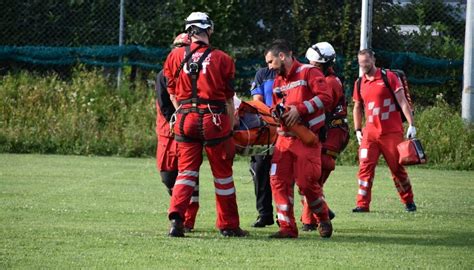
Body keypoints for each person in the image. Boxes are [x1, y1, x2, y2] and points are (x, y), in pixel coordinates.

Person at [163, 11, 248, 237]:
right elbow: (229, 98)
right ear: (208, 30)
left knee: (186, 173)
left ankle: (177, 218)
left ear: (189, 30)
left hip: (185, 119)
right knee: (223, 176)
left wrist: (182, 110)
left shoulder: (173, 56)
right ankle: (228, 225)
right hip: (214, 119)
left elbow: (172, 93)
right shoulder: (223, 58)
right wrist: (229, 126)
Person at [265, 39, 334, 238]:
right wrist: (275, 113)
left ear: (282, 56)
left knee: (306, 184)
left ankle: (322, 217)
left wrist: (301, 109)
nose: (269, 67)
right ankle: (287, 228)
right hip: (284, 140)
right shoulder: (278, 81)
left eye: (270, 61)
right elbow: (276, 105)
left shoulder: (309, 72)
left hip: (306, 139)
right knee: (277, 181)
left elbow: (326, 97)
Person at [352, 48, 417, 212]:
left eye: (366, 62)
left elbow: (403, 102)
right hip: (370, 135)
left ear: (373, 60)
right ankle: (362, 204)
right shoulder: (359, 82)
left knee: (397, 169)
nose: (363, 65)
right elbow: (357, 107)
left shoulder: (389, 77)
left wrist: (411, 124)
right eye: (360, 63)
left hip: (392, 134)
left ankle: (408, 201)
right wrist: (358, 130)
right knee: (364, 168)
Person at [299, 42, 349, 231]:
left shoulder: (329, 83)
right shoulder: (327, 79)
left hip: (332, 131)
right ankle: (321, 212)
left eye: (313, 64)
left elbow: (321, 111)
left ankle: (310, 220)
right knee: (308, 178)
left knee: (313, 177)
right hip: (328, 131)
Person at [155, 33, 199, 233]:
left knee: (189, 173)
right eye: (177, 45)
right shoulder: (164, 73)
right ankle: (180, 205)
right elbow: (165, 104)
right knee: (167, 176)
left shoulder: (197, 72)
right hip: (168, 131)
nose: (179, 49)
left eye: (183, 45)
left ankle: (185, 219)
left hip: (188, 130)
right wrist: (176, 121)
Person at [248, 67, 276, 228]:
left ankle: (287, 215)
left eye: (272, 61)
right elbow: (257, 101)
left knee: (287, 175)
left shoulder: (297, 74)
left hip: (290, 128)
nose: (270, 65)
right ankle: (264, 214)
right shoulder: (263, 74)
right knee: (259, 170)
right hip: (265, 129)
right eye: (268, 61)